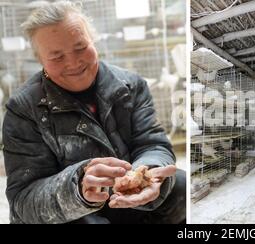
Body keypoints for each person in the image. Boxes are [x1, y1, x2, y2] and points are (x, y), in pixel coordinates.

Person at [2, 1, 185, 224]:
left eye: (80, 48)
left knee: (179, 185)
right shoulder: (23, 109)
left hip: (124, 199)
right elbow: (23, 199)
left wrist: (144, 174)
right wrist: (77, 187)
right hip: (72, 211)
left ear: (93, 41)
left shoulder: (131, 85)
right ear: (41, 61)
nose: (73, 62)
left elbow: (152, 144)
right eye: (57, 57)